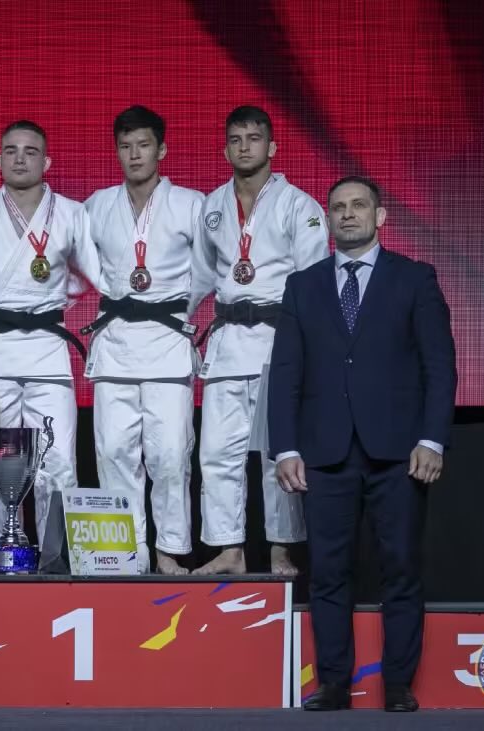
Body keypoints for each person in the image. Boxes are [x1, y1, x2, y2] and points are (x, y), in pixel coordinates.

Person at [268, 176, 456, 712]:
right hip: (324, 453)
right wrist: (286, 448)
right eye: (338, 208)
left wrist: (432, 439)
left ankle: (397, 685)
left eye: (358, 206)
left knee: (401, 568)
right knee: (328, 573)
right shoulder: (302, 285)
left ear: (380, 216)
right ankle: (333, 683)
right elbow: (286, 372)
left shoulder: (414, 278)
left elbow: (439, 366)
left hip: (399, 452)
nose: (347, 214)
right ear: (328, 218)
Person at [188, 106, 328, 575]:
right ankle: (228, 548)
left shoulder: (298, 205)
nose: (244, 146)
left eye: (253, 138)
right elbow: (200, 276)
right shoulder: (212, 205)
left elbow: (312, 280)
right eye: (235, 139)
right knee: (217, 454)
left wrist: (309, 347)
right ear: (225, 148)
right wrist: (174, 323)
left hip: (278, 341)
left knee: (278, 453)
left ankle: (281, 548)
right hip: (227, 342)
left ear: (272, 147)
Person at [0, 120, 101, 549]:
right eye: (11, 151)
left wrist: (55, 299)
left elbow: (93, 275)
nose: (20, 159)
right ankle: (7, 550)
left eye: (30, 151)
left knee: (57, 458)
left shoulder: (72, 212)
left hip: (47, 347)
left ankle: (54, 554)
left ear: (47, 162)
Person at [83, 106, 204, 575]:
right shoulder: (97, 205)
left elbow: (211, 268)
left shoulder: (191, 204)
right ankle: (125, 552)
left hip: (168, 342)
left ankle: (169, 550)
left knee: (170, 454)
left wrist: (182, 309)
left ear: (162, 150)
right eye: (126, 146)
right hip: (115, 342)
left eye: (144, 145)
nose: (134, 154)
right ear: (117, 152)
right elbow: (75, 262)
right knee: (114, 452)